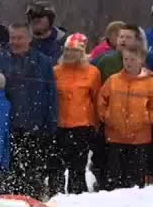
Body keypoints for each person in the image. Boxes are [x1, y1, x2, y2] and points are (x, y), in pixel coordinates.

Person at [0, 24, 58, 200]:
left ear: (29, 39)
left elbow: (51, 94)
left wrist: (51, 123)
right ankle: (5, 199)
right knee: (6, 169)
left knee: (32, 169)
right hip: (7, 125)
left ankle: (32, 201)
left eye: (19, 38)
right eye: (13, 37)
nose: (15, 42)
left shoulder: (43, 62)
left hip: (35, 124)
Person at [96, 45, 153, 190]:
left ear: (141, 60)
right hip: (115, 137)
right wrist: (107, 116)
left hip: (140, 139)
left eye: (132, 59)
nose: (128, 62)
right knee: (115, 178)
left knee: (135, 180)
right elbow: (102, 100)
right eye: (126, 59)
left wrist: (146, 118)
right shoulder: (113, 80)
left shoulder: (150, 82)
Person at [54, 33, 103, 194]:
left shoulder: (92, 72)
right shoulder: (56, 71)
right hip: (59, 125)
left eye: (75, 51)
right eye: (67, 50)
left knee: (78, 168)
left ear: (82, 52)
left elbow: (96, 99)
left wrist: (95, 125)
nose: (70, 54)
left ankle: (78, 197)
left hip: (82, 126)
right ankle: (56, 196)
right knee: (56, 166)